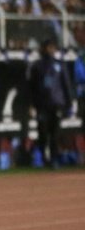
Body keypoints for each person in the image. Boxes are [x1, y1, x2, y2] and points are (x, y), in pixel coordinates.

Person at [28, 37, 74, 168]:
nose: (51, 50)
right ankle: (44, 157)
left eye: (53, 47)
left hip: (57, 103)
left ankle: (54, 158)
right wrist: (32, 104)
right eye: (48, 47)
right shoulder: (37, 66)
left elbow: (66, 85)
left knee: (55, 133)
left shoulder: (60, 64)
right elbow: (32, 87)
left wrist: (69, 103)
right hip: (42, 104)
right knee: (42, 132)